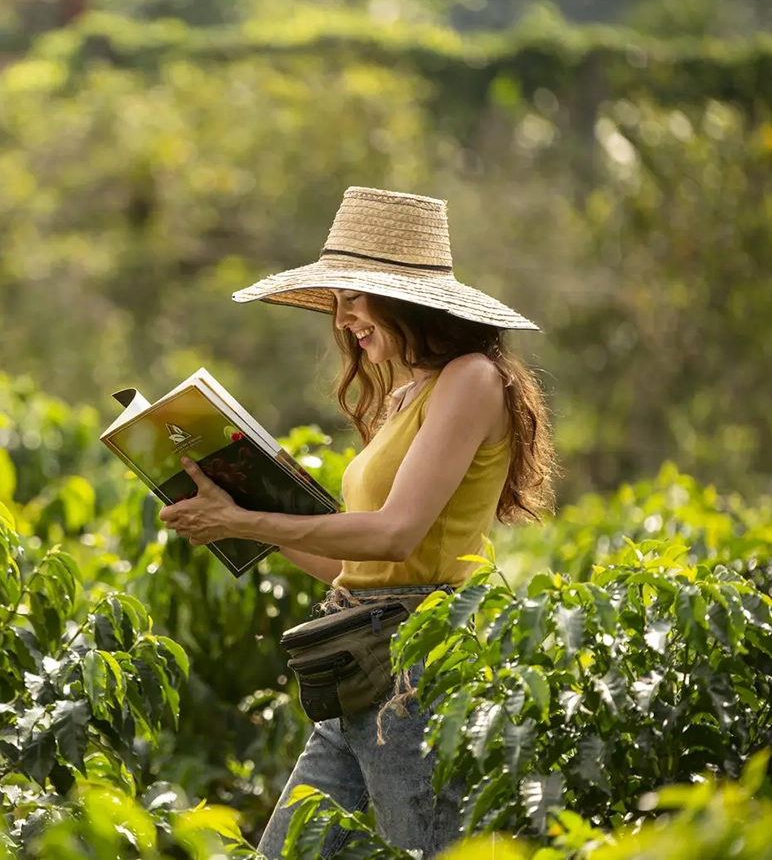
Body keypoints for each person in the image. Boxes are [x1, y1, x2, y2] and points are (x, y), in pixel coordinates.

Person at [157, 186, 555, 857]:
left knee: (423, 848)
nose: (344, 321)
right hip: (354, 652)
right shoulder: (402, 395)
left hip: (416, 663)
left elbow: (396, 534)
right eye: (337, 304)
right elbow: (355, 566)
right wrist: (245, 516)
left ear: (406, 297)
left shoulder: (472, 378)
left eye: (354, 300)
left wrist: (255, 519)